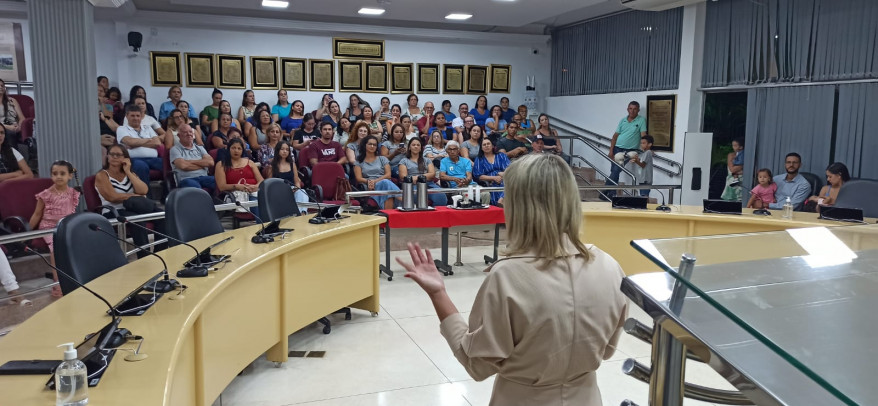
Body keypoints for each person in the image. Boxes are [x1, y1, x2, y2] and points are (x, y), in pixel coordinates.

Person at [396, 153, 627, 406]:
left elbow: (476, 363)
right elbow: (607, 350)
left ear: (521, 207)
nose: (503, 202)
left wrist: (438, 294)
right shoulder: (610, 266)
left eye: (508, 196)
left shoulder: (507, 276)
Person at [95, 144, 161, 258]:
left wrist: (128, 172)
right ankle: (145, 258)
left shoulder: (130, 174)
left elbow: (143, 190)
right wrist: (134, 195)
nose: (114, 157)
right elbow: (112, 197)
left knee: (161, 215)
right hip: (114, 210)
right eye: (112, 154)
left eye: (118, 155)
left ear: (125, 158)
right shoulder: (102, 175)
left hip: (134, 206)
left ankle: (160, 253)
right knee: (137, 220)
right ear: (107, 157)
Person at [29, 160, 80, 297]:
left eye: (62, 173)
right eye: (55, 173)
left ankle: (76, 277)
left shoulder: (74, 193)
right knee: (56, 249)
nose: (58, 176)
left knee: (77, 245)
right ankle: (57, 283)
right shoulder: (46, 194)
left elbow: (72, 213)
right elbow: (37, 214)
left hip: (67, 226)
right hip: (49, 227)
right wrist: (27, 233)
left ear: (70, 176)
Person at [606, 101, 646, 197]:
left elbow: (643, 136)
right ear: (627, 109)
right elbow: (615, 136)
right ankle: (611, 194)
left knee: (616, 169)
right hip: (617, 148)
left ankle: (605, 191)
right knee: (614, 170)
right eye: (630, 108)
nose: (632, 111)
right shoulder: (622, 120)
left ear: (638, 110)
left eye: (635, 109)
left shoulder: (641, 120)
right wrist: (611, 151)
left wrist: (647, 149)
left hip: (629, 151)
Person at [116, 104, 162, 188]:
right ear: (127, 116)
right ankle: (145, 193)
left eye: (138, 116)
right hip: (133, 159)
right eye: (132, 116)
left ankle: (169, 193)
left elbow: (157, 143)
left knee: (167, 164)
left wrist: (135, 144)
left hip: (153, 159)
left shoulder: (148, 128)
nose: (136, 118)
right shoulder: (121, 129)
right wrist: (149, 140)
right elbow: (130, 141)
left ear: (141, 117)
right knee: (141, 166)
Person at [216, 138, 263, 216]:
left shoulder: (250, 162)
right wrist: (237, 186)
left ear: (242, 150)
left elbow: (261, 180)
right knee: (255, 203)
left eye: (239, 148)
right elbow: (221, 186)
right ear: (228, 149)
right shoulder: (221, 164)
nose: (236, 151)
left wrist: (255, 186)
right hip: (236, 194)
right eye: (233, 148)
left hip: (254, 191)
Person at [353, 135, 400, 210]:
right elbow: (359, 178)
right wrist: (369, 182)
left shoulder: (382, 159)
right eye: (370, 144)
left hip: (382, 182)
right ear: (364, 145)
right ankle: (404, 200)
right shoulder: (359, 162)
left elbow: (388, 175)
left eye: (374, 145)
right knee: (386, 185)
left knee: (385, 183)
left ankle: (388, 213)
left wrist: (375, 181)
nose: (372, 146)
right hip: (369, 186)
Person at [398, 137, 447, 207]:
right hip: (412, 185)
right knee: (416, 196)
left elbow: (432, 174)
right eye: (413, 145)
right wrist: (423, 177)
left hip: (429, 184)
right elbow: (404, 177)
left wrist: (417, 177)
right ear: (409, 148)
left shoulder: (427, 160)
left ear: (421, 148)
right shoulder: (404, 161)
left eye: (418, 145)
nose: (416, 146)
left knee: (441, 196)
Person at [266, 140, 308, 213]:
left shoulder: (292, 164)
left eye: (287, 150)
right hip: (278, 191)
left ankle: (301, 213)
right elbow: (269, 184)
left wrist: (296, 188)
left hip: (291, 189)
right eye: (282, 149)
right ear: (278, 150)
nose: (285, 151)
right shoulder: (272, 165)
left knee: (302, 192)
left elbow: (297, 182)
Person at [170, 124, 215, 193]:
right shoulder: (175, 149)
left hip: (204, 177)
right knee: (195, 189)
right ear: (179, 135)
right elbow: (183, 166)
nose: (189, 134)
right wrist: (202, 165)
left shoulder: (200, 148)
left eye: (190, 132)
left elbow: (211, 163)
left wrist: (189, 162)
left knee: (220, 182)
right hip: (187, 179)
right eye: (185, 132)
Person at [473, 137, 510, 206]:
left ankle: (501, 200)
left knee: (508, 182)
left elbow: (509, 169)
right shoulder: (479, 159)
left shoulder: (501, 155)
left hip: (504, 178)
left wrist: (501, 174)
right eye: (484, 145)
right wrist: (494, 178)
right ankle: (500, 201)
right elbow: (479, 176)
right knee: (498, 184)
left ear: (492, 146)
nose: (486, 146)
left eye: (488, 144)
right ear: (481, 148)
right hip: (490, 182)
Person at [720, 138, 744, 202]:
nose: (733, 147)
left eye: (735, 145)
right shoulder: (731, 155)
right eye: (733, 145)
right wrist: (743, 165)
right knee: (730, 201)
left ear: (741, 147)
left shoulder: (744, 155)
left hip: (742, 182)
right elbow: (732, 169)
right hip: (732, 181)